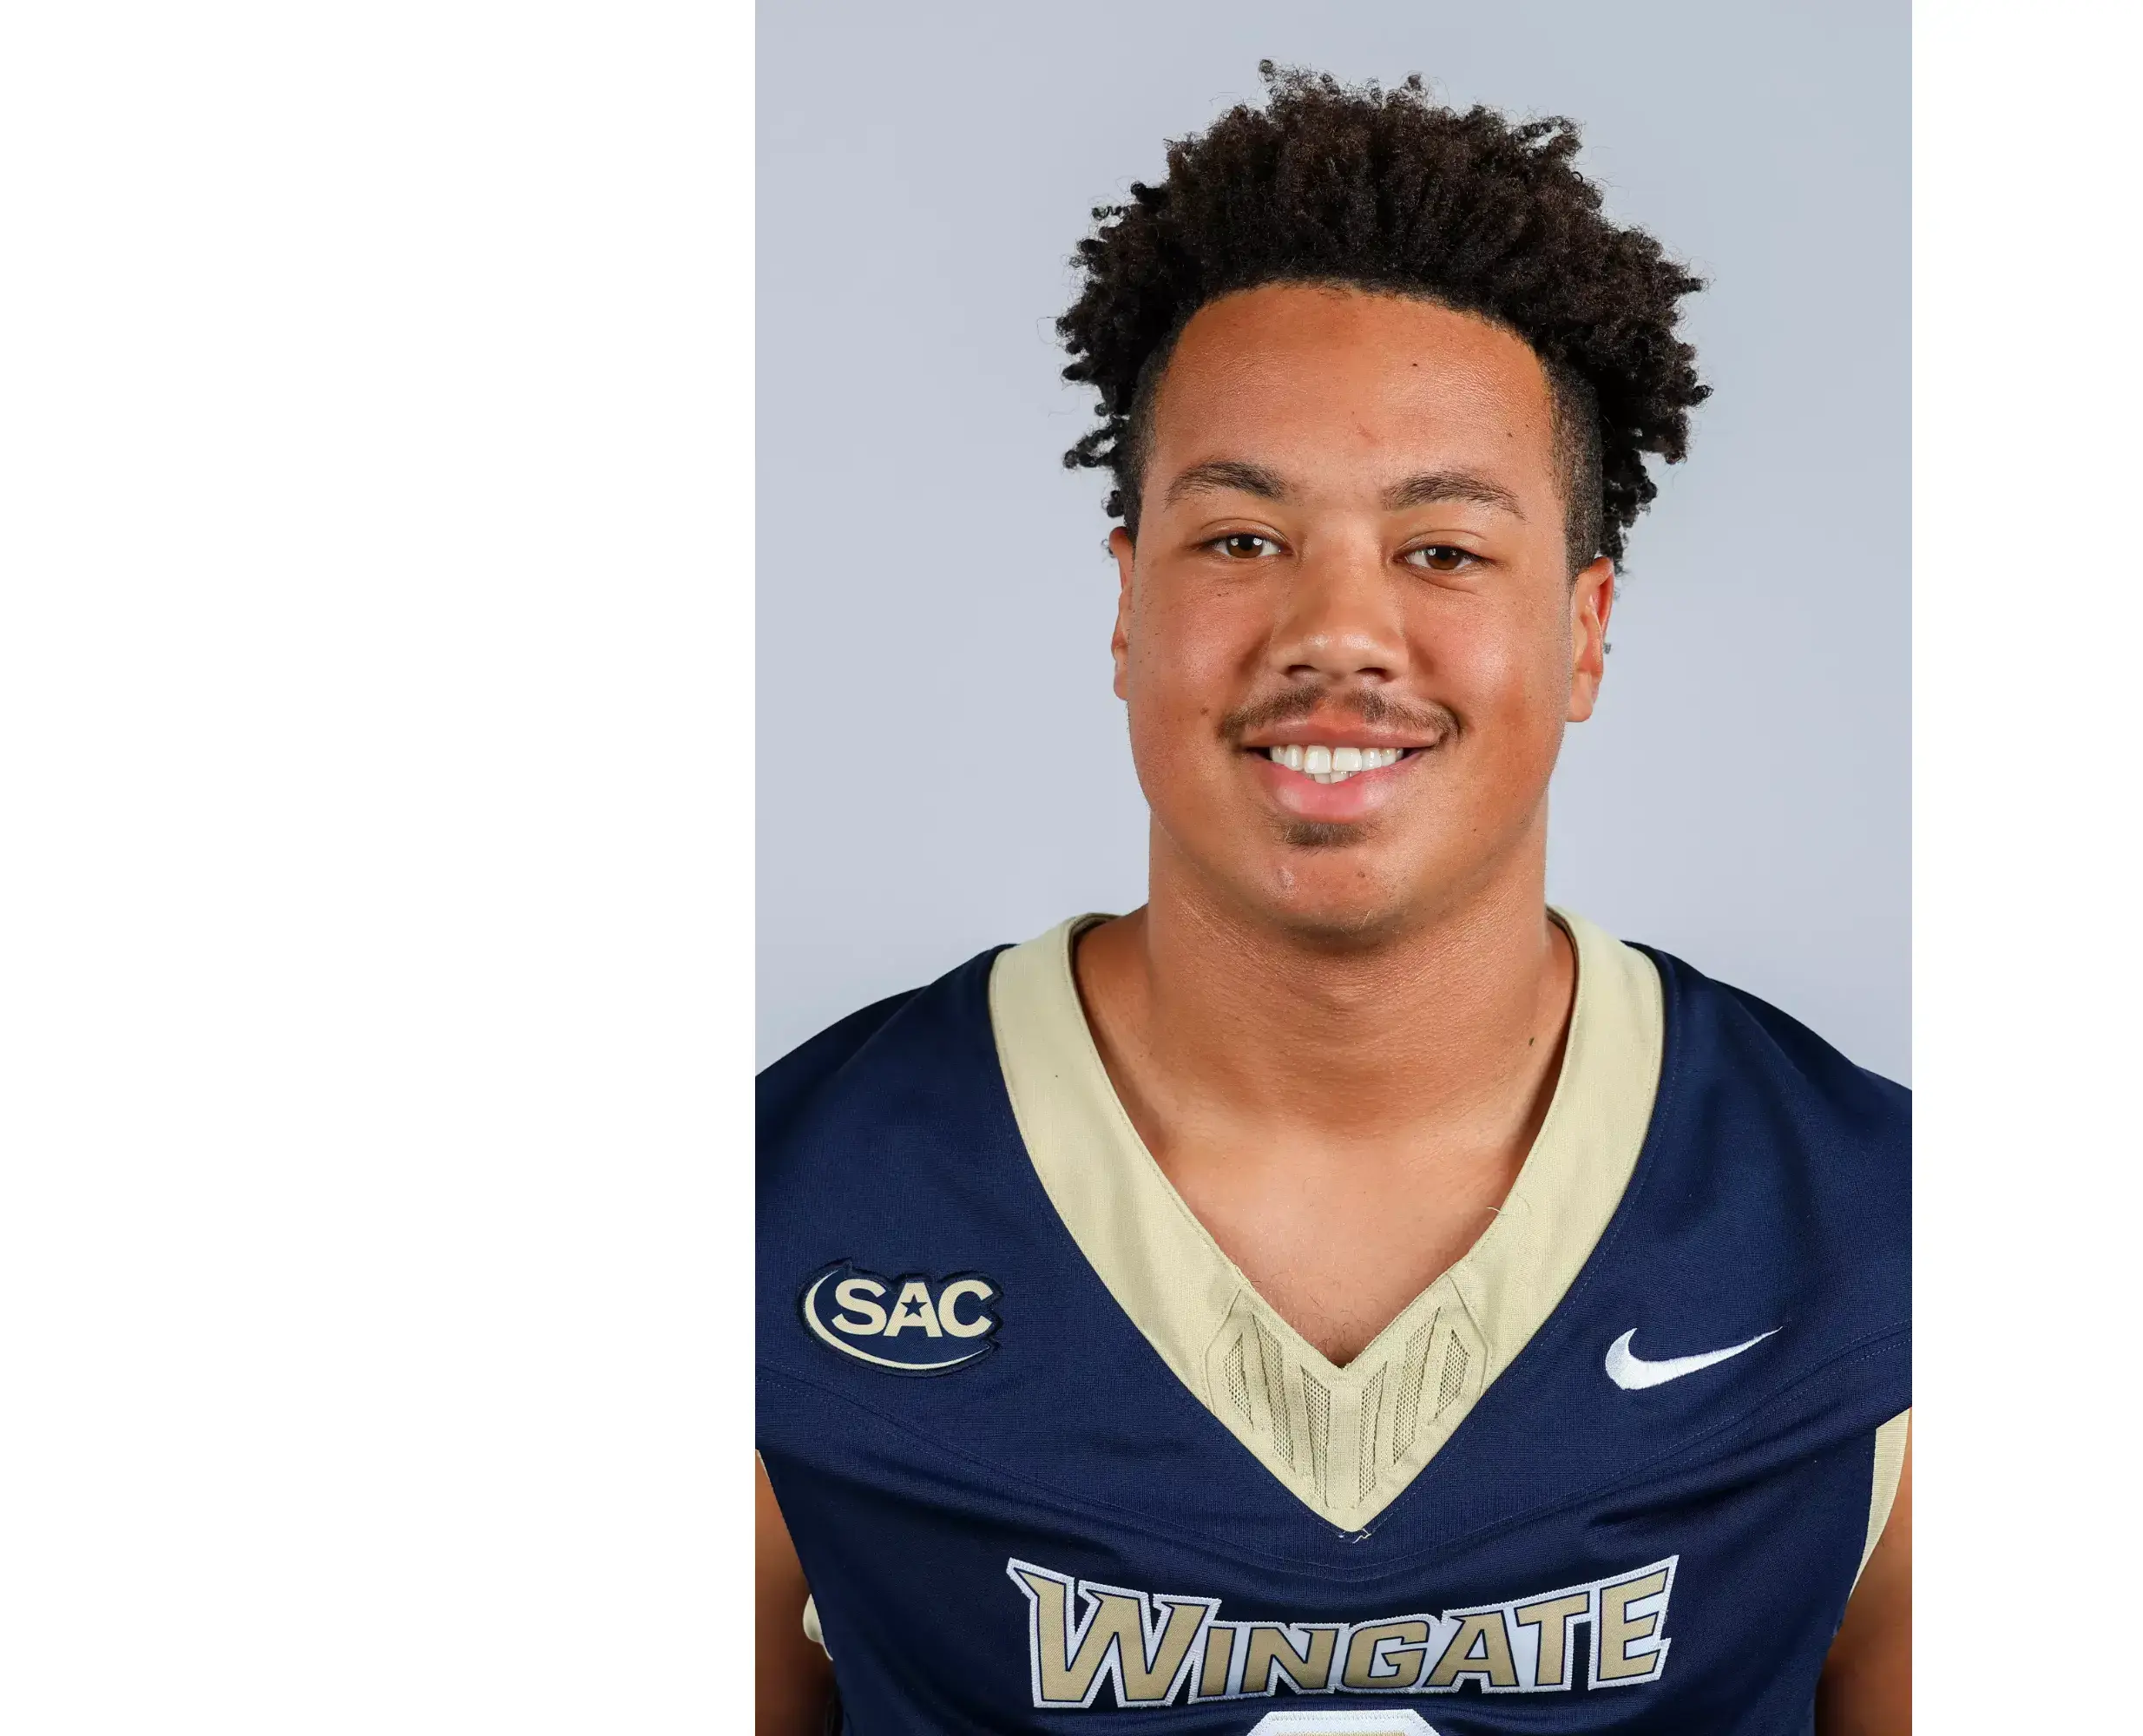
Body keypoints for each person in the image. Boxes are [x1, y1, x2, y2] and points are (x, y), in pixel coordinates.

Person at [758, 66, 1909, 1735]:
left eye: (1442, 551)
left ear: (1584, 629)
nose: (1337, 634)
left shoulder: (1876, 1233)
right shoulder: (784, 1211)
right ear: (1127, 608)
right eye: (1240, 540)